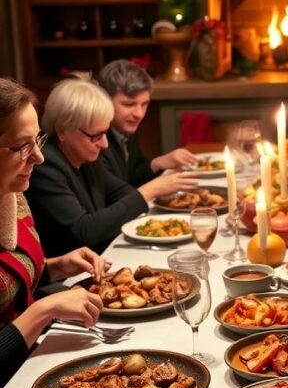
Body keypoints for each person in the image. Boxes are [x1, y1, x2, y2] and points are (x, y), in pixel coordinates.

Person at [0, 78, 104, 381]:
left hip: (32, 363)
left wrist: (56, 268)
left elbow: (11, 285)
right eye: (22, 146)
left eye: (37, 140)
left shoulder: (11, 194)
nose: (39, 157)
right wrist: (44, 310)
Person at [26, 80, 197, 256]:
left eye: (105, 133)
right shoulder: (44, 164)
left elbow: (121, 191)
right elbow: (83, 230)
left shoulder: (86, 155)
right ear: (62, 129)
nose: (105, 144)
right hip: (68, 276)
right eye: (96, 135)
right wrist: (150, 190)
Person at [98, 60, 198, 186]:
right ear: (104, 100)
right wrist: (155, 188)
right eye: (129, 104)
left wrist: (158, 162)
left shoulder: (124, 127)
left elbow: (133, 177)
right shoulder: (96, 141)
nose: (139, 114)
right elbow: (116, 197)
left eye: (144, 104)